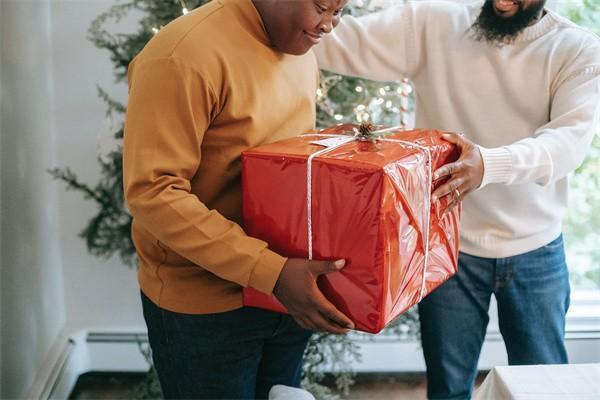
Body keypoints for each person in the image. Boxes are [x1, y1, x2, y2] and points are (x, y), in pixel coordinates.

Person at [313, 0, 600, 398]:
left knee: (545, 387)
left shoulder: (577, 49)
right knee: (448, 388)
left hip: (536, 248)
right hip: (449, 246)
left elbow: (566, 145)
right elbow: (331, 38)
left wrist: (489, 164)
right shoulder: (431, 22)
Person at [123, 0, 351, 398]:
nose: (329, 26)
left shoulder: (300, 49)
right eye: (322, 7)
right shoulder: (182, 57)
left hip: (286, 294)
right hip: (206, 310)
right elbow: (154, 193)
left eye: (339, 11)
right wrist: (271, 271)